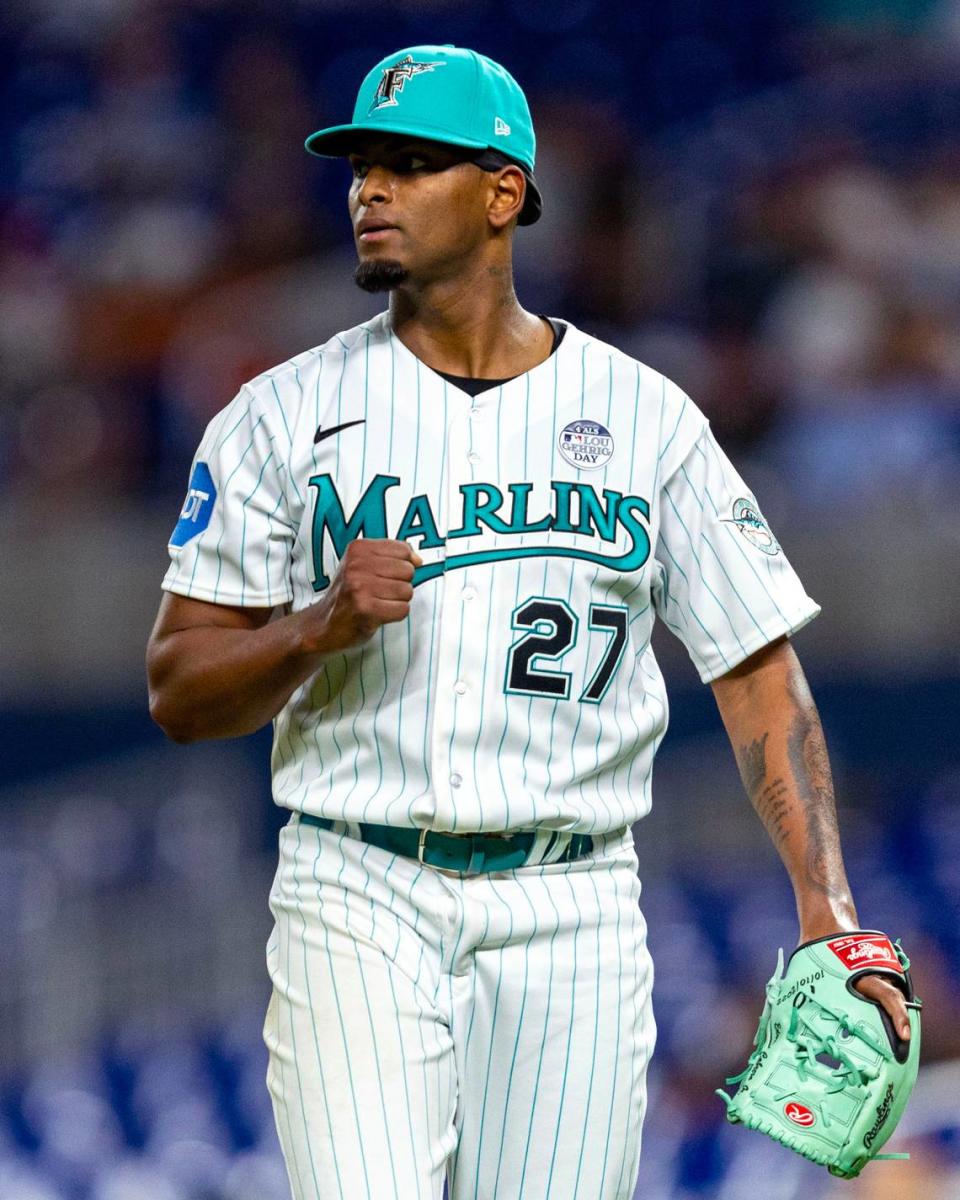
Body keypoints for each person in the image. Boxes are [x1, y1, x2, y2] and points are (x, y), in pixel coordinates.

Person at [147, 44, 911, 1200]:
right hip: (358, 888)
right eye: (362, 168)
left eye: (412, 165)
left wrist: (828, 910)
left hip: (574, 902)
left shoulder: (644, 417)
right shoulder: (278, 417)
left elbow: (757, 670)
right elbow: (177, 687)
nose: (371, 191)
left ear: (503, 192)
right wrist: (311, 629)